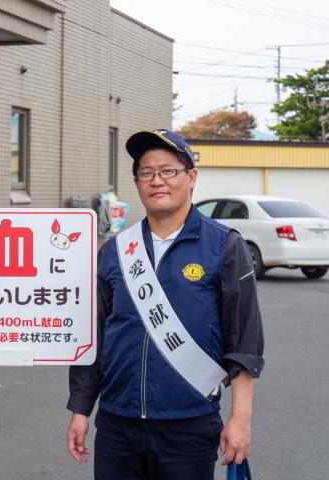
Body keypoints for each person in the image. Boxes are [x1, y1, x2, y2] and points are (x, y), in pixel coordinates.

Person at [66, 129, 264, 480]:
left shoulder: (224, 246)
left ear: (191, 177)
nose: (157, 180)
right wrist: (81, 409)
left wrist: (241, 419)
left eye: (168, 170)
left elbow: (244, 341)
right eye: (147, 172)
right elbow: (93, 335)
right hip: (117, 425)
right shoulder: (115, 251)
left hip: (188, 425)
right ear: (137, 182)